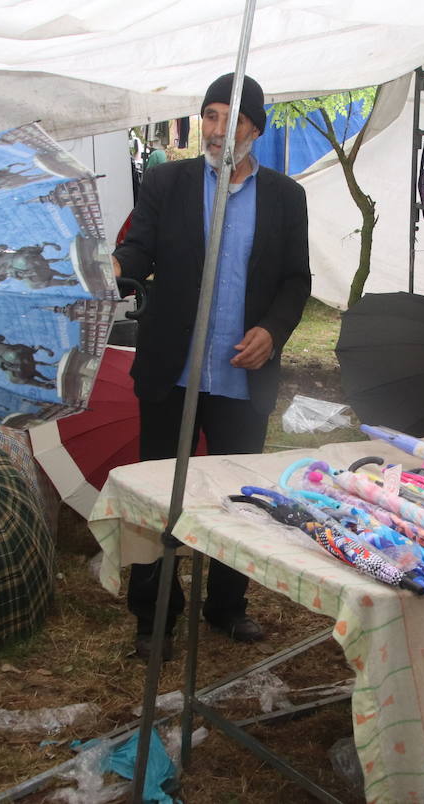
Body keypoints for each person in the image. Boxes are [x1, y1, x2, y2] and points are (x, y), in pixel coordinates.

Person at [112, 72, 311, 659]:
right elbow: (138, 247)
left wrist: (272, 332)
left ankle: (227, 605)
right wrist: (115, 267)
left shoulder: (284, 197)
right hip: (171, 370)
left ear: (255, 127)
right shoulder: (167, 181)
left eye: (233, 118)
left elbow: (296, 280)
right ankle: (153, 619)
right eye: (211, 115)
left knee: (238, 498)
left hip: (239, 378)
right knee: (157, 498)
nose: (219, 129)